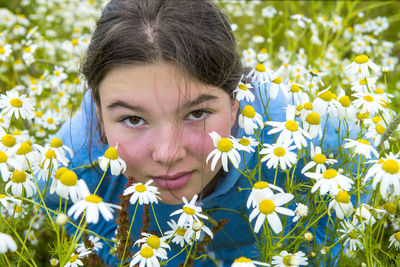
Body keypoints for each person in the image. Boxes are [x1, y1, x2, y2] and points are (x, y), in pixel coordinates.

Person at [44, 0, 340, 266]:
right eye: (133, 119)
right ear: (98, 113)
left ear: (235, 105)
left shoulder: (297, 131)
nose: (168, 154)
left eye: (197, 114)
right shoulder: (72, 163)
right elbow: (72, 217)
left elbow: (352, 176)